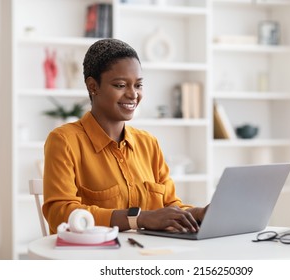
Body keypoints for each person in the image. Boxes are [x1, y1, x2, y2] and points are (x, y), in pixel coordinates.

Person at [42, 38, 207, 235]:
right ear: (93, 86)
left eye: (138, 85)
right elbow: (59, 212)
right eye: (120, 85)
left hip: (144, 255)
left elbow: (170, 206)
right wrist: (139, 218)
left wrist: (199, 213)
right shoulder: (64, 141)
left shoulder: (148, 143)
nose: (133, 94)